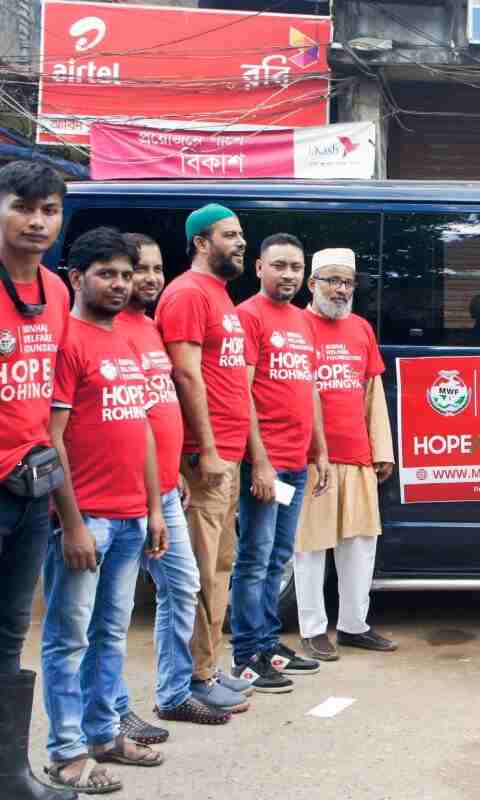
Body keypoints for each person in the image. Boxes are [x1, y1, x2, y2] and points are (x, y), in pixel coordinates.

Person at [41, 227, 168, 793]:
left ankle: (103, 734)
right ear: (76, 278)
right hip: (84, 519)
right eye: (107, 274)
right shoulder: (66, 341)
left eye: (125, 274)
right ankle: (66, 753)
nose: (119, 285)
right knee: (69, 638)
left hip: (129, 517)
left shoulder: (124, 340)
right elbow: (53, 439)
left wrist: (154, 510)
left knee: (111, 634)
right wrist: (70, 523)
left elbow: (139, 428)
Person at [111, 233, 243, 743]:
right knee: (108, 615)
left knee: (184, 587)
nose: (144, 280)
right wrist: (191, 464)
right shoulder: (107, 329)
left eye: (150, 269)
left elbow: (156, 408)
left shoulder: (147, 326)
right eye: (130, 271)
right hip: (123, 496)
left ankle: (174, 691)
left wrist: (172, 479)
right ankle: (110, 714)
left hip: (166, 488)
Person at [155, 204, 261, 706]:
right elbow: (185, 375)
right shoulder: (186, 294)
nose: (242, 242)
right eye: (230, 235)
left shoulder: (219, 295)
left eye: (241, 234)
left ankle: (209, 668)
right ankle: (195, 679)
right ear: (201, 242)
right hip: (205, 458)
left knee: (220, 568)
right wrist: (209, 451)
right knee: (196, 572)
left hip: (228, 455)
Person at [0, 161, 76, 800]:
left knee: (10, 635)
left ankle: (10, 776)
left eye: (48, 209)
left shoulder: (55, 292)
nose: (36, 221)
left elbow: (49, 397)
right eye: (23, 206)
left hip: (30, 487)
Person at [230, 234, 331, 690]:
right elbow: (242, 394)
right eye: (279, 265)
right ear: (258, 268)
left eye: (295, 266)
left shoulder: (303, 321)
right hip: (265, 464)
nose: (287, 274)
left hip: (295, 462)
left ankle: (269, 644)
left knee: (277, 559)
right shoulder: (246, 317)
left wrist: (320, 450)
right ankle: (246, 655)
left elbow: (308, 388)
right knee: (253, 559)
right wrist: (260, 462)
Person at [293, 248, 397, 660]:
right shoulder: (294, 326)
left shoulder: (360, 329)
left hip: (357, 456)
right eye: (331, 280)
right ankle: (313, 629)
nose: (339, 289)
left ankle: (354, 625)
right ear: (311, 283)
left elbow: (373, 395)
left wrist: (382, 450)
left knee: (360, 544)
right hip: (310, 458)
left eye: (347, 282)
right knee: (311, 546)